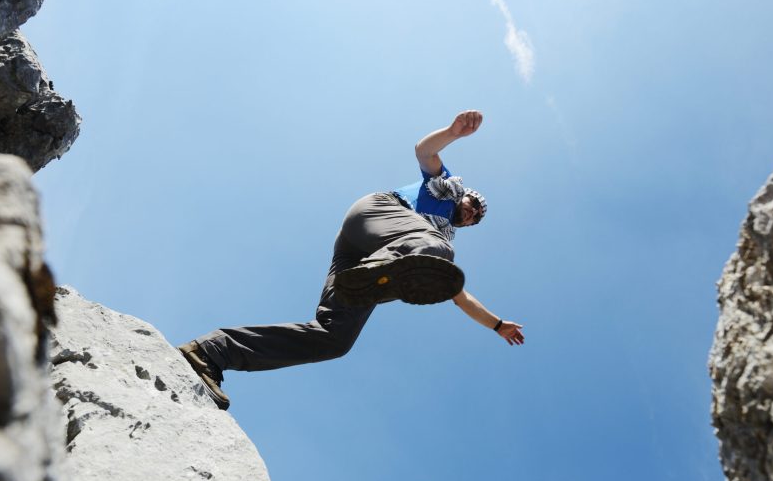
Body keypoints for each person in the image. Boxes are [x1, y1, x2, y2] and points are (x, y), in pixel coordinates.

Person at [178, 110, 525, 409]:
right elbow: (424, 151)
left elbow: (458, 295)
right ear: (465, 197)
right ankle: (379, 268)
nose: (471, 215)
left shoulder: (439, 240)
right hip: (376, 214)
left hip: (362, 256)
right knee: (439, 250)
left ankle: (211, 352)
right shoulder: (443, 188)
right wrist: (452, 132)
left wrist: (497, 325)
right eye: (473, 206)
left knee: (334, 339)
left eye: (476, 219)